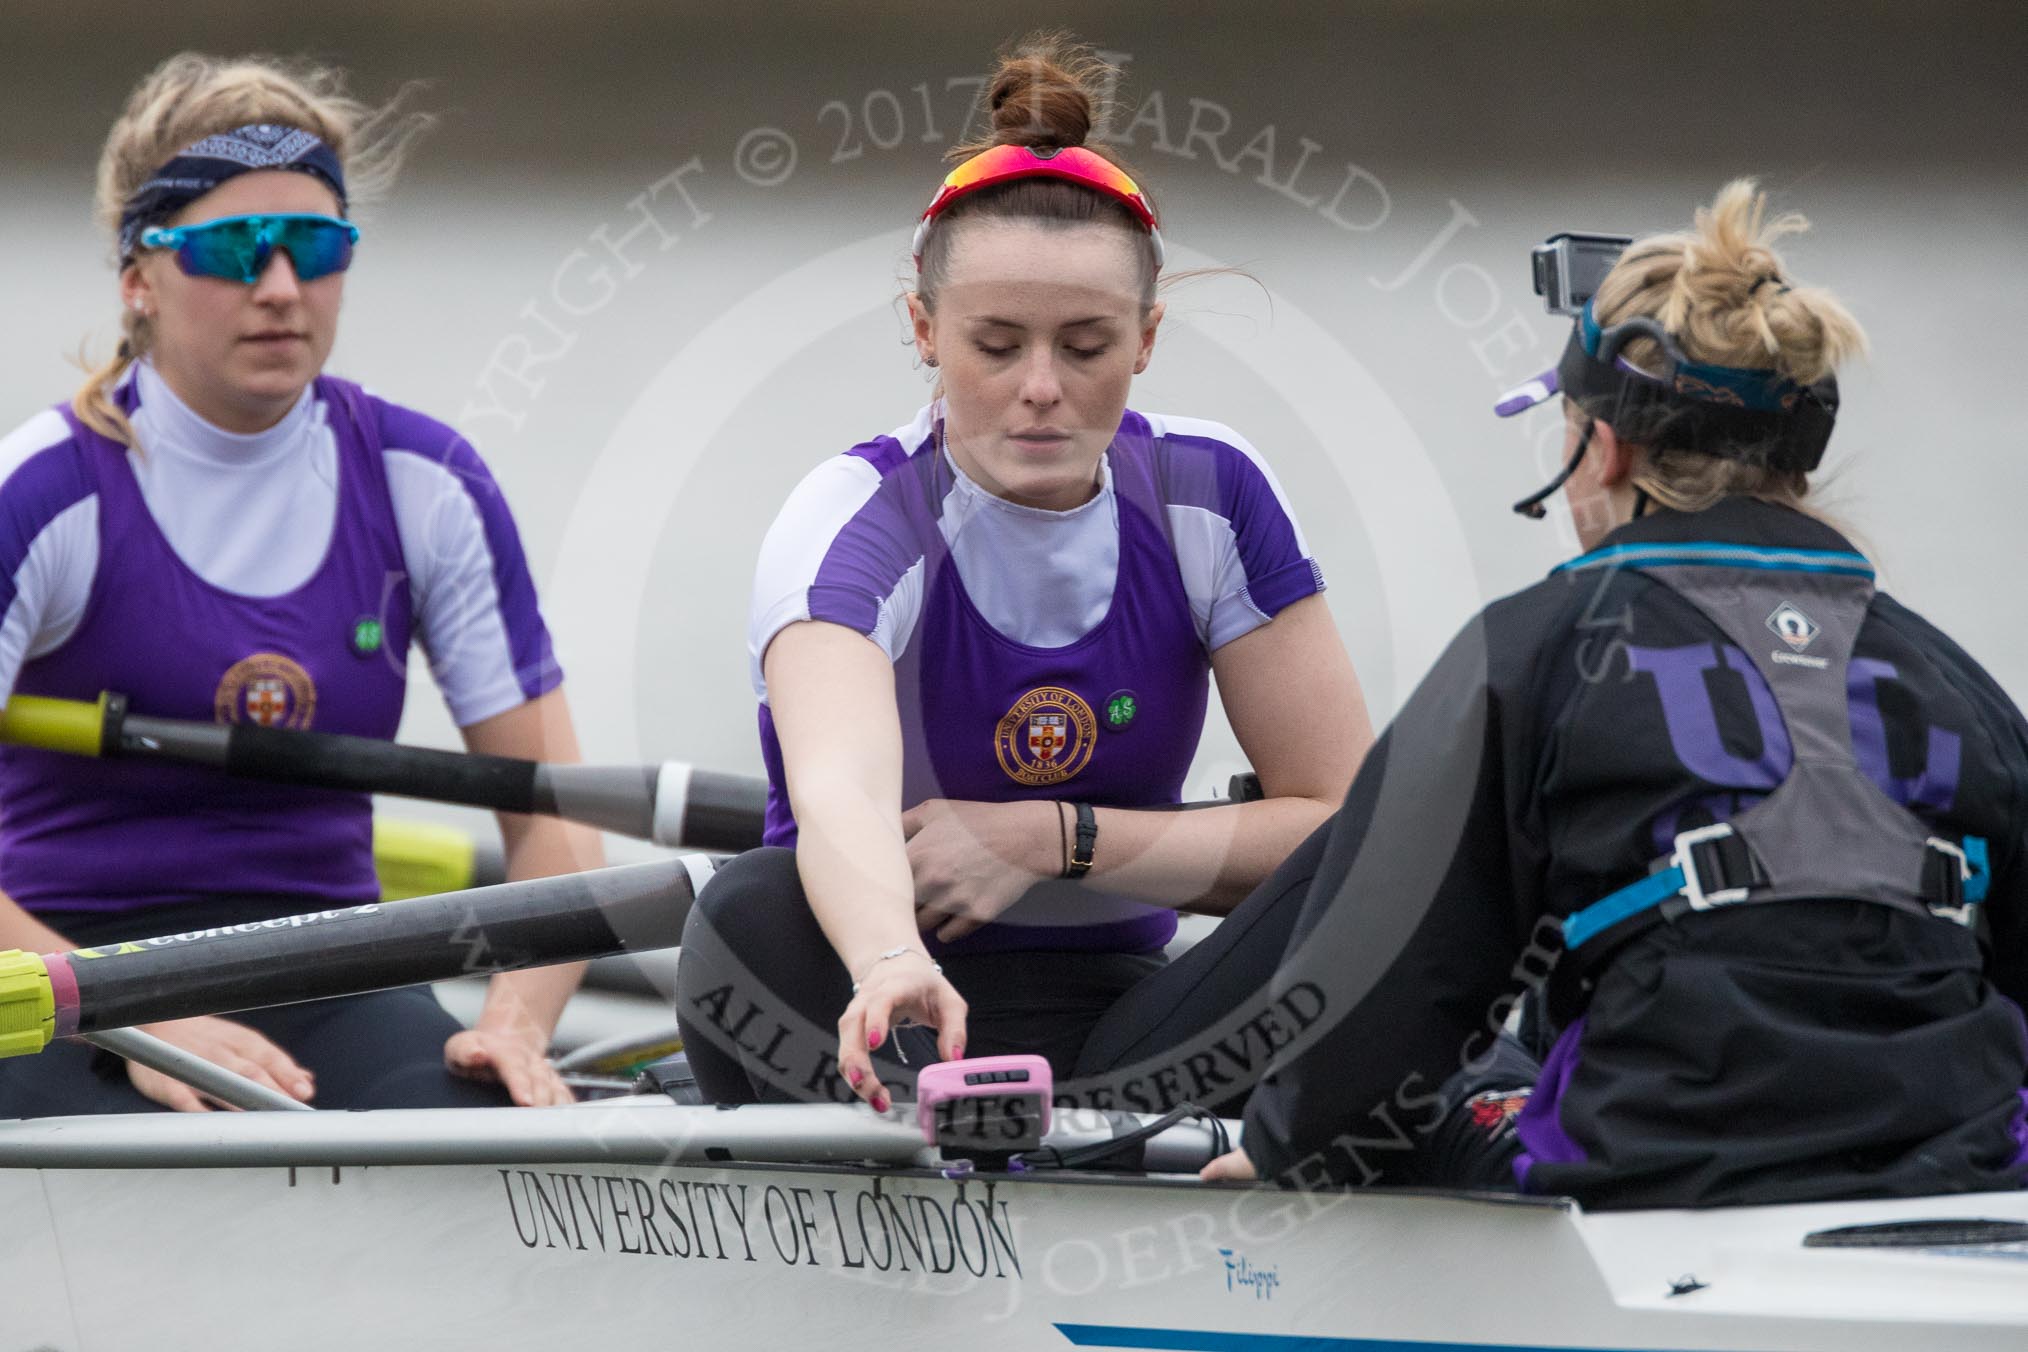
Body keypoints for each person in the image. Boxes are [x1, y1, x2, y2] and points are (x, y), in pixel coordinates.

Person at [1194, 180, 2028, 1208]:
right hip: (1963, 1174)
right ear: (1794, 466)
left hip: (1663, 1171)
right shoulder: (1960, 683)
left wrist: (1288, 1143)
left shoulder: (1533, 653)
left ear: (1604, 446)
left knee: (1465, 1079)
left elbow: (1375, 1006)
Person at [676, 36, 1373, 1114]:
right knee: (745, 910)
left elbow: (1337, 815)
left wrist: (1058, 838)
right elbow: (841, 788)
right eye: (996, 345)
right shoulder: (852, 519)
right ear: (924, 330)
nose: (1040, 388)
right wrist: (886, 959)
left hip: (1129, 1028)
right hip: (872, 1005)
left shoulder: (1214, 492)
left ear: (1147, 338)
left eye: (1085, 345)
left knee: (1385, 861)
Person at [0, 53, 602, 1115]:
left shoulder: (428, 485)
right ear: (141, 273)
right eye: (236, 247)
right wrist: (131, 1014)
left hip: (329, 959)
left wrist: (514, 1020)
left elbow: (553, 821)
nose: (280, 286)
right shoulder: (47, 494)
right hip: (53, 968)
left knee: (456, 1103)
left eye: (316, 246)